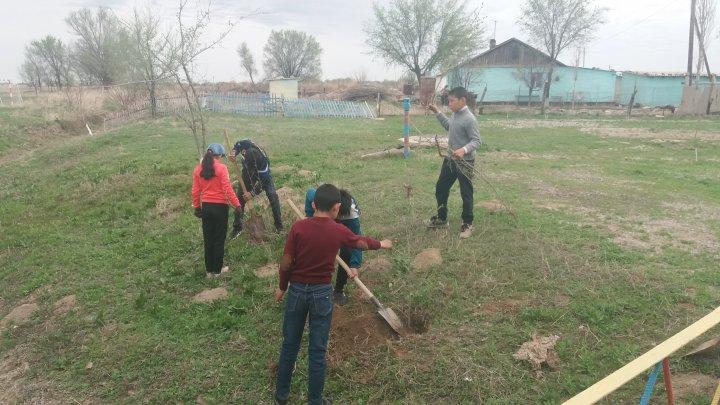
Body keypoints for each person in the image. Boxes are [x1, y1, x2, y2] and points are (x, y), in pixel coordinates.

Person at [274, 184, 392, 405]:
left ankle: (281, 395)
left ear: (313, 205)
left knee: (290, 344)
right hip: (321, 295)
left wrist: (282, 287)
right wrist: (381, 244)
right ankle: (315, 400)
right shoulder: (338, 230)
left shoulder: (298, 228)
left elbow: (287, 262)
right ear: (337, 208)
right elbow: (360, 242)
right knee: (317, 350)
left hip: (297, 291)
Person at [427, 86, 482, 239]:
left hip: (465, 162)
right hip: (451, 160)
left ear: (462, 100)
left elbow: (477, 141)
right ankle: (442, 218)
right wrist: (437, 112)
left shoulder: (470, 119)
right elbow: (449, 125)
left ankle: (467, 223)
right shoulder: (456, 114)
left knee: (466, 192)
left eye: (452, 101)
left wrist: (463, 150)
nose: (449, 103)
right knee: (441, 188)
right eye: (448, 101)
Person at [304, 187, 363, 306]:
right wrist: (310, 216)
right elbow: (310, 192)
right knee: (319, 247)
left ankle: (338, 291)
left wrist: (354, 264)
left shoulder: (352, 216)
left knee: (346, 253)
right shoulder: (321, 198)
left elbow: (356, 241)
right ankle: (317, 285)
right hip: (326, 217)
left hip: (346, 223)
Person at [191, 143, 242, 278]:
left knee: (208, 239)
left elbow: (195, 191)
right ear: (219, 155)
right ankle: (217, 271)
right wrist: (237, 205)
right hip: (220, 208)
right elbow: (227, 188)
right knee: (219, 239)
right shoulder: (222, 168)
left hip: (206, 207)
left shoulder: (198, 169)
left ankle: (209, 271)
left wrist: (197, 207)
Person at [228, 139, 283, 238]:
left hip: (262, 176)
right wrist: (234, 153)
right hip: (246, 174)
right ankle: (237, 228)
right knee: (239, 198)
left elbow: (263, 181)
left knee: (273, 195)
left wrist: (252, 194)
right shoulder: (246, 144)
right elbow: (237, 145)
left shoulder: (263, 161)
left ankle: (279, 227)